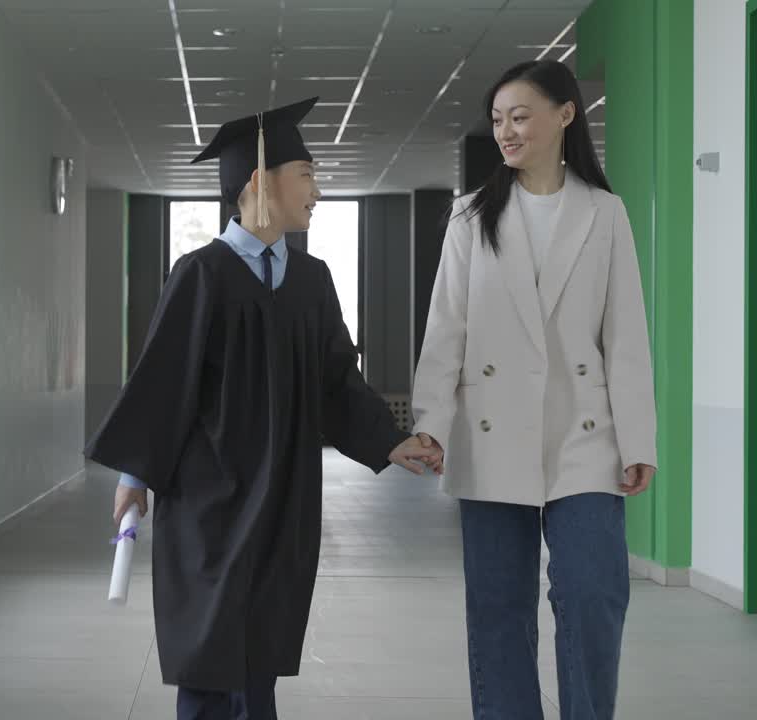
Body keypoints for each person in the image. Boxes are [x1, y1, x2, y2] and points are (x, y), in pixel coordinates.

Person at [85, 97, 442, 720]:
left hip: (283, 500)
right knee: (209, 656)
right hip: (209, 502)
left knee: (259, 657)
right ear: (260, 180)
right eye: (307, 174)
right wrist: (134, 477)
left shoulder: (313, 281)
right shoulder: (200, 274)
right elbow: (161, 383)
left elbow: (337, 381)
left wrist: (390, 438)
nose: (318, 190)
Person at [411, 60, 657, 720]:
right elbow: (445, 334)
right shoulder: (470, 217)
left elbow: (626, 337)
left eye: (520, 116)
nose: (507, 131)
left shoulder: (605, 213)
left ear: (565, 115)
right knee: (498, 608)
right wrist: (430, 423)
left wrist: (638, 439)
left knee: (592, 595)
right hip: (490, 436)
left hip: (587, 438)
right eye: (497, 120)